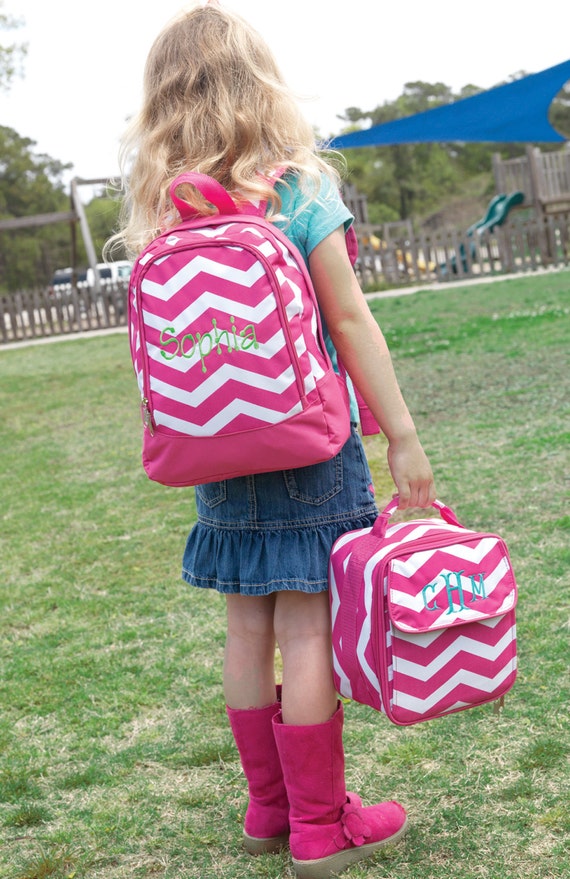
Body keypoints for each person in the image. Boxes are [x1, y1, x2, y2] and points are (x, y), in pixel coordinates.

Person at [109, 3, 436, 877]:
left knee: (244, 628)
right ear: (262, 83)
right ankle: (323, 825)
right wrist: (401, 435)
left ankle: (268, 809)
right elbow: (350, 318)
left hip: (217, 454)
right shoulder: (294, 186)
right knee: (306, 625)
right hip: (309, 446)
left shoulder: (161, 204)